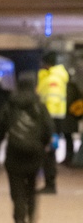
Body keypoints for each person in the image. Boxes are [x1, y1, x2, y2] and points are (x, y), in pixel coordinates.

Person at [0, 71, 53, 223]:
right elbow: (48, 129)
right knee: (32, 188)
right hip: (35, 154)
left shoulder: (10, 105)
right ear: (34, 86)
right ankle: (32, 222)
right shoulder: (39, 106)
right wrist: (44, 145)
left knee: (17, 191)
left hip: (14, 153)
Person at [37, 51, 69, 192]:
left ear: (47, 64)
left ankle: (50, 185)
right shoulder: (52, 77)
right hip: (53, 121)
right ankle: (50, 183)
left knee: (48, 153)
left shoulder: (53, 79)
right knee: (49, 152)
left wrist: (46, 122)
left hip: (51, 122)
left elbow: (52, 100)